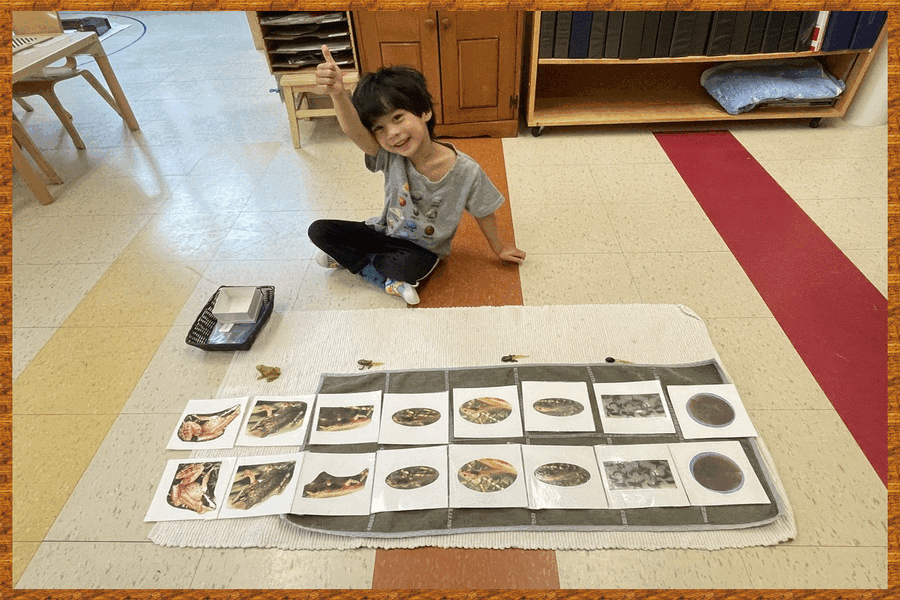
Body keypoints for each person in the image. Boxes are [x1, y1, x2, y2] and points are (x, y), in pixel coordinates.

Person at [308, 45, 525, 305]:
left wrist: (500, 248)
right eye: (380, 128)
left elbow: (483, 210)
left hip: (423, 250)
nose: (392, 133)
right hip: (385, 233)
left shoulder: (466, 170)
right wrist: (339, 94)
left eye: (398, 118)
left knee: (403, 267)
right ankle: (378, 273)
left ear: (425, 112)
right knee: (319, 231)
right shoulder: (390, 155)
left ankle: (365, 265)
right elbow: (354, 131)